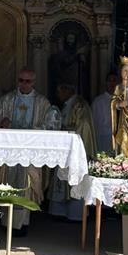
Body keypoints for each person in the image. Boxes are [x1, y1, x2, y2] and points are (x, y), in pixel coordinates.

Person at [0, 68, 52, 232]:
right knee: (8, 182)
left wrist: (35, 129)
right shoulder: (8, 99)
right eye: (21, 80)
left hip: (29, 151)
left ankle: (22, 224)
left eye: (27, 81)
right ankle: (7, 223)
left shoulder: (42, 102)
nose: (24, 84)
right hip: (9, 150)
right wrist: (1, 121)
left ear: (33, 82)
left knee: (26, 184)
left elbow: (49, 124)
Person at [49, 82, 96, 220]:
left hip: (75, 150)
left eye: (60, 91)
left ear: (67, 90)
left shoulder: (79, 105)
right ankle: (60, 212)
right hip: (64, 149)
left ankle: (75, 214)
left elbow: (84, 126)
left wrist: (66, 131)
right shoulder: (68, 105)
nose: (58, 95)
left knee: (75, 179)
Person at [91, 72, 119, 155]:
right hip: (102, 136)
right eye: (109, 81)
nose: (112, 83)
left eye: (114, 81)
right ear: (106, 83)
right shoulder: (98, 101)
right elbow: (93, 121)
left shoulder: (121, 100)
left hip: (119, 136)